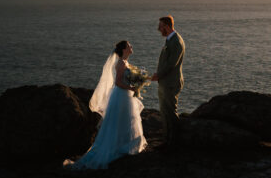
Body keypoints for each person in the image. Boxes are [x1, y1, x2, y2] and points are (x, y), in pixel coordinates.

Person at [68, 40, 146, 169]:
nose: (131, 47)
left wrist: (137, 82)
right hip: (121, 95)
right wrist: (132, 88)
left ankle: (124, 144)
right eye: (129, 46)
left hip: (125, 95)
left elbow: (126, 79)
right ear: (124, 50)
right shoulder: (120, 63)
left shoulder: (125, 62)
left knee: (126, 120)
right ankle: (117, 147)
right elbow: (118, 83)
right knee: (119, 121)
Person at [150, 15, 185, 149]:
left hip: (171, 83)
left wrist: (158, 75)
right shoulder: (170, 40)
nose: (158, 29)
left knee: (170, 112)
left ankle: (174, 143)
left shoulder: (176, 41)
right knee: (164, 112)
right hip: (165, 82)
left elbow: (171, 64)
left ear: (167, 26)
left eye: (160, 26)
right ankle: (167, 141)